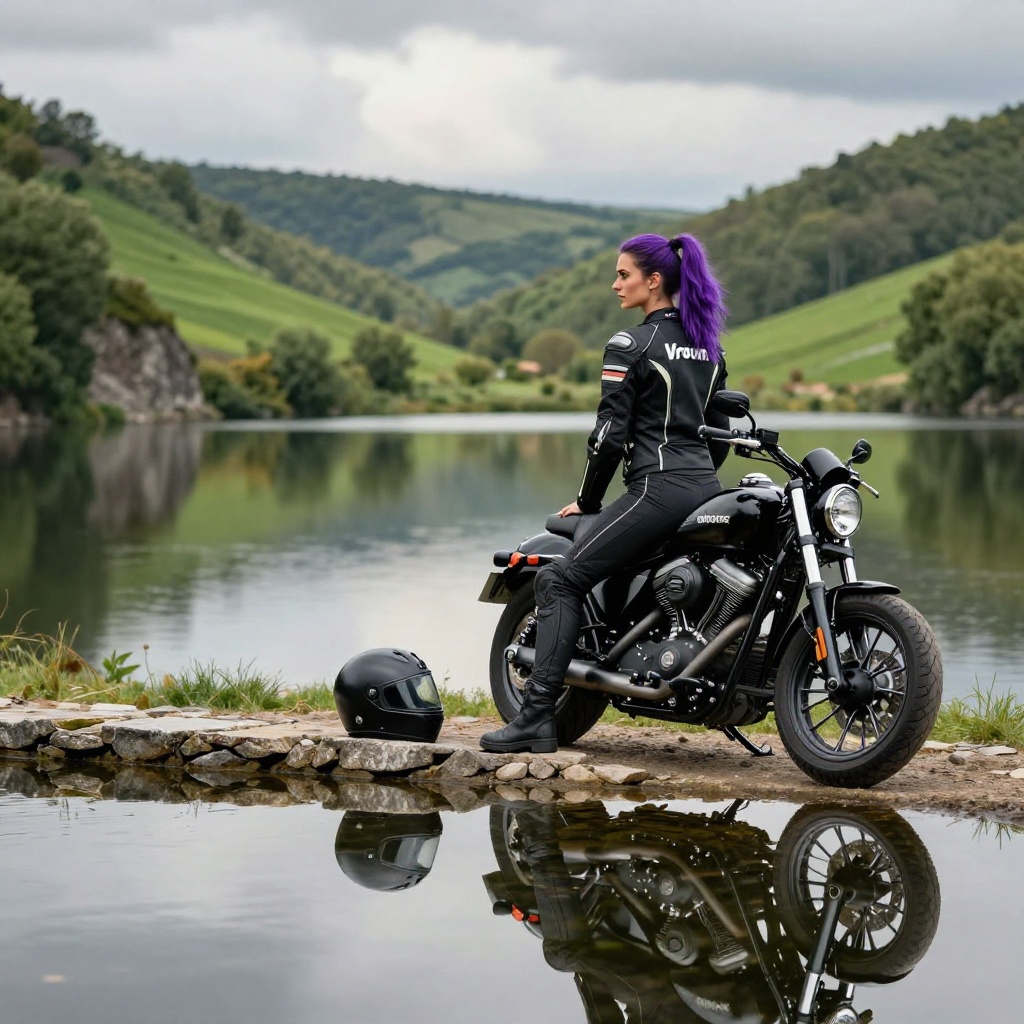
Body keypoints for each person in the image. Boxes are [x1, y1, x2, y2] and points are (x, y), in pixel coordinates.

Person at [480, 232, 730, 754]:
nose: (615, 284)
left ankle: (535, 719)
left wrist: (588, 501)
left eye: (623, 274)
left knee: (560, 579)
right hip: (706, 491)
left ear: (653, 281)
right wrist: (698, 478)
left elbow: (608, 438)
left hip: (656, 490)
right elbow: (720, 432)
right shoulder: (710, 348)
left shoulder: (630, 345)